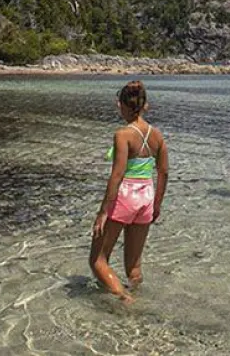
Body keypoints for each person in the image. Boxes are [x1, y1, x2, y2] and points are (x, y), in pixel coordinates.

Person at [90, 81, 168, 304]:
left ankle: (125, 298)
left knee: (98, 260)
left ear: (122, 105)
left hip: (124, 197)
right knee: (134, 266)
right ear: (145, 106)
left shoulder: (123, 134)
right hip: (146, 197)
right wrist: (157, 205)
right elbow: (164, 173)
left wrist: (103, 211)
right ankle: (137, 298)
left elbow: (117, 175)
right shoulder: (157, 136)